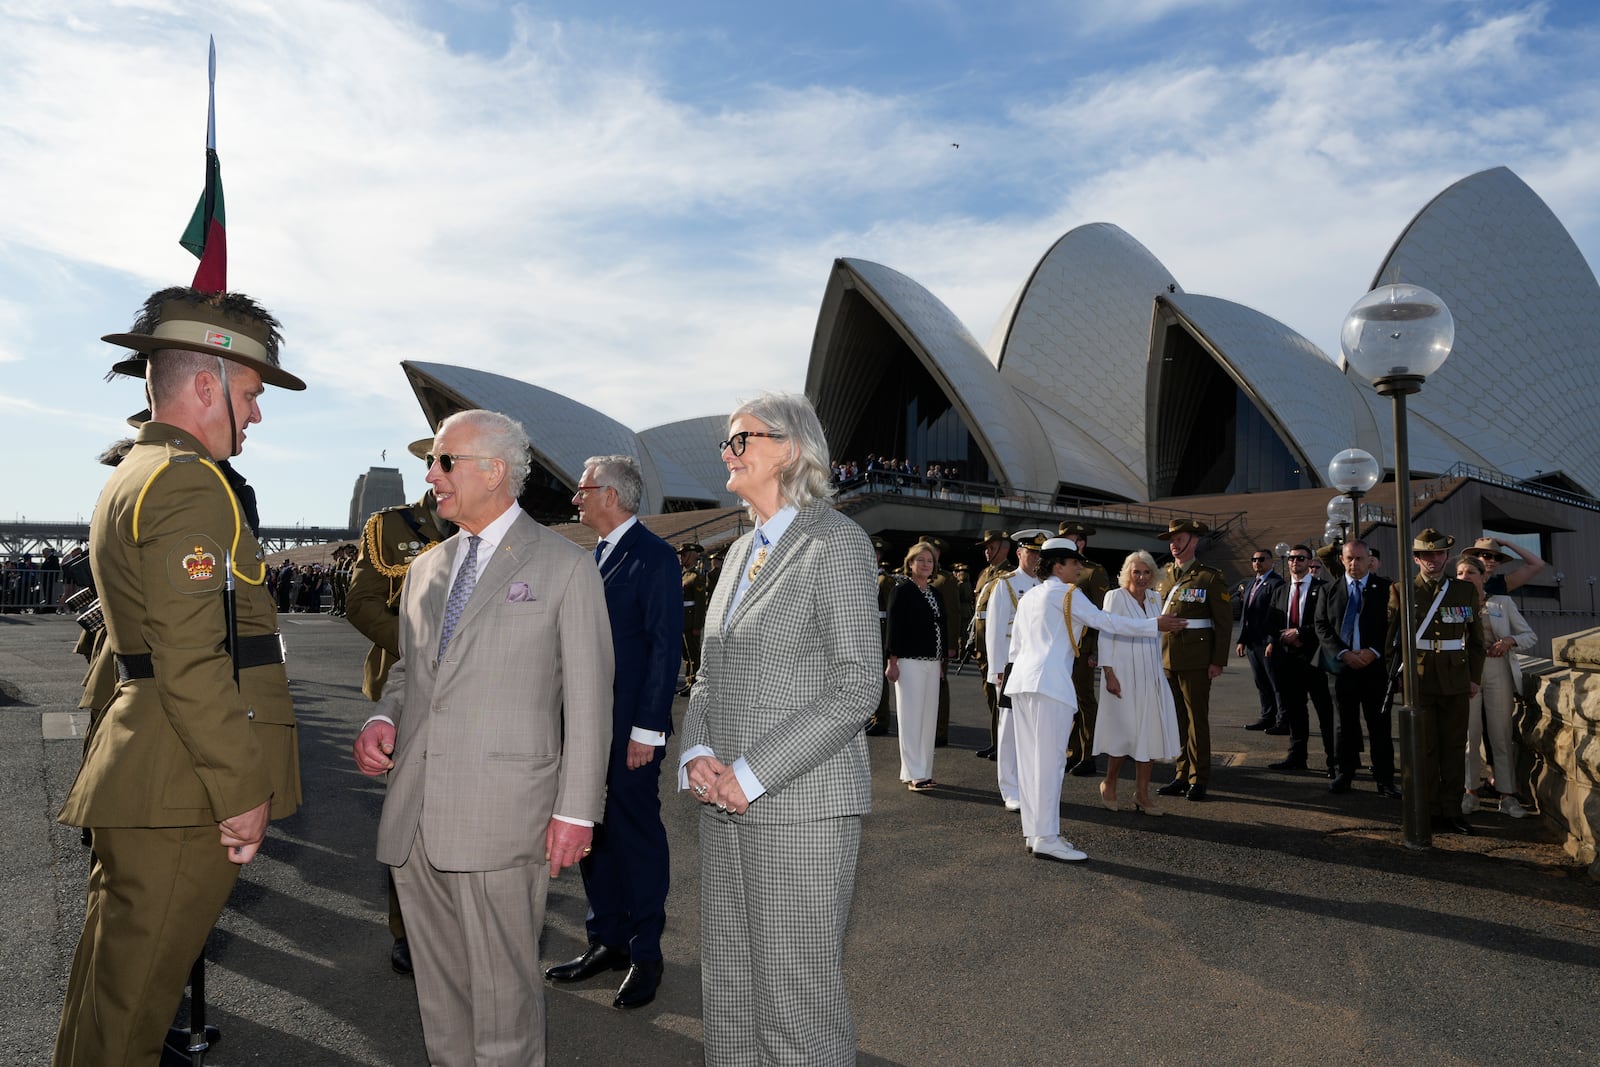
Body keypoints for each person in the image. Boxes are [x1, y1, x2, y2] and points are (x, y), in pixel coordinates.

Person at [54, 287, 305, 1066]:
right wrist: (241, 789)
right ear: (207, 385)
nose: (256, 415)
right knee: (131, 1016)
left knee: (109, 994)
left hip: (154, 768)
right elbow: (194, 658)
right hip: (183, 783)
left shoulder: (141, 469)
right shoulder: (189, 483)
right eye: (251, 395)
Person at [352, 409, 613, 1065]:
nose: (430, 475)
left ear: (494, 470)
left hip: (504, 818)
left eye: (444, 461)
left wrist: (577, 809)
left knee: (504, 1003)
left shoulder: (564, 566)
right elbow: (413, 671)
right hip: (416, 817)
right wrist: (385, 716)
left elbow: (588, 698)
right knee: (441, 1004)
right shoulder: (425, 570)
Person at [678, 392, 879, 1067]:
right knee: (731, 993)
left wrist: (754, 772)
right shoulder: (736, 554)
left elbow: (857, 686)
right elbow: (708, 676)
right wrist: (699, 751)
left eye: (743, 439)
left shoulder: (837, 543)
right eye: (727, 443)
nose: (728, 453)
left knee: (796, 1009)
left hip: (803, 813)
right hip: (726, 807)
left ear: (791, 449)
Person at [545, 455, 681, 1009]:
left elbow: (663, 647)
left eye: (583, 489)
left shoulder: (654, 557)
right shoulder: (592, 556)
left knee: (636, 837)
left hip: (629, 729)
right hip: (585, 727)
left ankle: (646, 951)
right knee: (591, 834)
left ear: (613, 495)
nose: (575, 498)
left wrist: (647, 730)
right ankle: (608, 939)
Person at [1005, 539, 1185, 861]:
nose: (1079, 568)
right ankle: (1047, 837)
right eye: (1075, 563)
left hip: (1022, 685)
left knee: (1031, 764)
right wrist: (1152, 625)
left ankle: (1035, 833)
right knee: (1050, 764)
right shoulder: (1067, 594)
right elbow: (1107, 622)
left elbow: (1016, 647)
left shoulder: (1031, 595)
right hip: (1050, 687)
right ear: (1058, 565)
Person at [344, 468, 456, 976]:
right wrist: (422, 649)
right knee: (409, 814)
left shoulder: (484, 526)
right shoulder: (391, 527)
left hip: (474, 692)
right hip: (406, 685)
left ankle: (456, 921)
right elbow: (361, 603)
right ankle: (407, 928)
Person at [1387, 528, 1485, 835]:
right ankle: (1427, 809)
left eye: (1439, 554)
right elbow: (1392, 641)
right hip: (1420, 678)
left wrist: (1473, 679)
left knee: (1454, 748)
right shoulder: (1403, 590)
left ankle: (1452, 811)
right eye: (1427, 555)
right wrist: (1399, 677)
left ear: (1446, 556)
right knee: (1423, 749)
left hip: (1456, 679)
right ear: (1416, 559)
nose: (1434, 560)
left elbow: (1477, 642)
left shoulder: (1464, 590)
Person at [1094, 551, 1183, 815]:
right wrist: (1108, 673)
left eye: (1146, 572)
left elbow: (1159, 633)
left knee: (1151, 733)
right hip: (1122, 674)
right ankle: (1109, 782)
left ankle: (1142, 794)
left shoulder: (1156, 599)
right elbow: (1106, 635)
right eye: (1136, 572)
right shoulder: (1115, 597)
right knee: (1124, 733)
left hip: (1151, 675)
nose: (1142, 577)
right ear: (1127, 574)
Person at [1313, 540, 1399, 797]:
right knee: (1344, 724)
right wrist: (1344, 653)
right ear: (1342, 559)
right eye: (1349, 558)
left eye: (1359, 559)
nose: (1354, 564)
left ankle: (1385, 779)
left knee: (1379, 725)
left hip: (1375, 668)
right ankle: (1345, 774)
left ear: (1369, 559)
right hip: (1342, 667)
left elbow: (1393, 627)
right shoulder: (1329, 590)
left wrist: (1373, 652)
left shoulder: (1386, 589)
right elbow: (1322, 626)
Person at [1154, 518, 1232, 801]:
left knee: (1196, 720)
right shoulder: (1164, 575)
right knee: (1176, 720)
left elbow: (1223, 624)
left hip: (1197, 659)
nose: (1174, 544)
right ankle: (1180, 774)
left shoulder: (1209, 577)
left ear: (1194, 541)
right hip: (1167, 657)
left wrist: (1217, 661)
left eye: (1179, 538)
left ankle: (1199, 778)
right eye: (1171, 540)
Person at [1454, 554, 1537, 818]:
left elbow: (1530, 636)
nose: (1464, 577)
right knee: (1469, 734)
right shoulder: (1453, 605)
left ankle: (1507, 795)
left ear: (1483, 576)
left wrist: (1509, 641)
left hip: (1497, 669)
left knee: (1500, 733)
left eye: (1470, 572)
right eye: (1460, 573)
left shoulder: (1502, 602)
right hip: (1466, 671)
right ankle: (1470, 792)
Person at [985, 530, 1050, 811]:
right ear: (1019, 554)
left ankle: (1028, 786)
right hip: (1012, 665)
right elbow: (995, 628)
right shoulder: (1006, 584)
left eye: (1039, 554)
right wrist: (997, 669)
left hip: (1038, 666)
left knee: (1033, 729)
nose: (1035, 558)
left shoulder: (1045, 585)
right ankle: (1009, 788)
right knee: (1010, 728)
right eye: (1031, 552)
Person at [1265, 546, 1337, 778]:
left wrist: (1301, 634)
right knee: (1295, 711)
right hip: (1288, 659)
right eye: (1291, 558)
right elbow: (1271, 621)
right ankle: (1297, 757)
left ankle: (1333, 761)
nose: (1295, 562)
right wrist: (1282, 636)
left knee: (1325, 712)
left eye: (1300, 558)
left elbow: (1327, 623)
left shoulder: (1322, 589)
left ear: (1310, 561)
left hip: (1315, 659)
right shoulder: (1281, 590)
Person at [886, 541, 945, 790]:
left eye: (929, 561)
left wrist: (942, 662)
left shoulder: (935, 593)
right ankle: (913, 773)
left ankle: (925, 770)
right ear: (910, 563)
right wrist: (892, 661)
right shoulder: (901, 591)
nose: (925, 564)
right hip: (908, 662)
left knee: (928, 718)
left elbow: (943, 627)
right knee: (911, 717)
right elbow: (893, 628)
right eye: (920, 560)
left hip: (932, 662)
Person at [1060, 521, 1111, 778]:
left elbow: (1102, 614)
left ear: (1082, 543)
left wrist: (1095, 652)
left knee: (1084, 701)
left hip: (1083, 648)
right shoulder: (1057, 572)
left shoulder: (1093, 572)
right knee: (1068, 702)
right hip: (1062, 649)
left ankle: (1088, 754)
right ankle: (1072, 752)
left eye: (1074, 540)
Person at [971, 529, 1015, 759]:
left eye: (991, 546)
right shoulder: (984, 573)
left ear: (1004, 548)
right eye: (986, 547)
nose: (987, 551)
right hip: (982, 643)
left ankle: (1003, 744)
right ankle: (995, 740)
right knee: (990, 695)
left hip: (999, 643)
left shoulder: (1008, 575)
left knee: (1001, 697)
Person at [1237, 547, 1287, 731]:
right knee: (1261, 682)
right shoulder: (1252, 583)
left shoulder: (1277, 583)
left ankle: (1283, 721)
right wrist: (1241, 640)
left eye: (1261, 559)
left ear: (1271, 561)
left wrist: (1273, 640)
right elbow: (1246, 613)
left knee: (1276, 683)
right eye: (1254, 559)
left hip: (1267, 642)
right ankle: (1267, 717)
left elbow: (1279, 615)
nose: (1257, 563)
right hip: (1252, 642)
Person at [1462, 536, 1549, 596]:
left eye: (1497, 557)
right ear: (1475, 558)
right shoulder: (1462, 580)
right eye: (1486, 556)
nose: (1492, 560)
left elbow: (1538, 564)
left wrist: (1507, 543)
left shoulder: (1501, 583)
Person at [678, 541, 708, 697]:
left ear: (690, 554)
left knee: (694, 654)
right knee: (686, 653)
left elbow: (700, 603)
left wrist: (697, 625)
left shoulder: (696, 576)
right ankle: (689, 681)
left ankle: (695, 684)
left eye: (683, 554)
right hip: (683, 620)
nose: (681, 557)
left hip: (691, 621)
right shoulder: (685, 574)